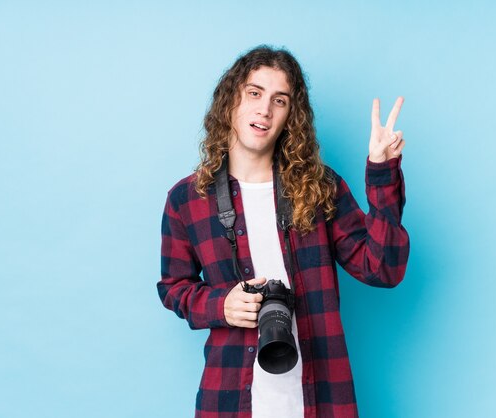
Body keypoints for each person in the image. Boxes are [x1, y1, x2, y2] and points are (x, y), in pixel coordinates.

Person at [157, 45, 409, 418]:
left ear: (291, 116)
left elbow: (382, 269)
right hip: (229, 397)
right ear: (230, 102)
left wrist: (381, 172)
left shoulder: (320, 187)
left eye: (280, 100)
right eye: (254, 93)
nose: (264, 109)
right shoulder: (187, 199)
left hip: (321, 395)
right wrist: (221, 304)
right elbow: (173, 287)